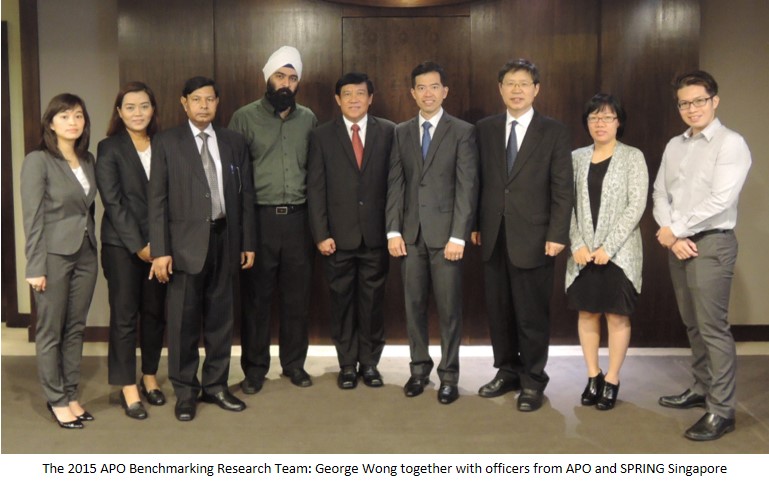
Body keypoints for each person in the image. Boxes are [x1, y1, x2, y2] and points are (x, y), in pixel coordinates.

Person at [148, 76, 256, 421]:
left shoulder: (233, 141)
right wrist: (161, 250)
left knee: (221, 318)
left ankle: (216, 385)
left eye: (209, 99)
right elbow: (157, 200)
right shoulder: (167, 142)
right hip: (183, 245)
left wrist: (247, 241)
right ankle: (185, 391)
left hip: (226, 238)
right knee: (183, 321)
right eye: (197, 99)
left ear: (217, 102)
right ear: (184, 103)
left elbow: (245, 195)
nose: (204, 105)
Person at [653, 70, 751, 441]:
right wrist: (672, 234)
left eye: (699, 101)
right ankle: (701, 387)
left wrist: (677, 229)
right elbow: (659, 193)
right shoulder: (674, 145)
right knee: (692, 324)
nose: (692, 109)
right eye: (684, 103)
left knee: (712, 328)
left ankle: (721, 410)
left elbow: (720, 199)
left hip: (712, 243)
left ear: (714, 100)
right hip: (678, 243)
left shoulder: (731, 144)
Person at [473, 59, 572, 412]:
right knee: (499, 311)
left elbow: (563, 188)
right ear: (500, 89)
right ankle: (507, 371)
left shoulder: (554, 131)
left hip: (536, 237)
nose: (517, 90)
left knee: (531, 314)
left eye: (524, 83)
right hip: (493, 235)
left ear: (536, 89)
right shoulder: (484, 129)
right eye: (510, 84)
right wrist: (475, 225)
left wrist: (557, 233)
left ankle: (533, 380)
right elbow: (478, 180)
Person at [386, 61, 479, 405]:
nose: (428, 93)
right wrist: (393, 230)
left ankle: (449, 376)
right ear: (413, 93)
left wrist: (459, 235)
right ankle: (418, 371)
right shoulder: (401, 131)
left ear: (445, 91)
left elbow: (467, 186)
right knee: (413, 307)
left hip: (446, 238)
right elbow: (396, 183)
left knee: (449, 310)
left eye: (434, 87)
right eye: (421, 88)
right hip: (410, 236)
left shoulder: (463, 131)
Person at [229, 46, 318, 393]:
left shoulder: (308, 119)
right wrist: (243, 232)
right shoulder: (243, 118)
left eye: (292, 78)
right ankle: (254, 370)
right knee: (256, 300)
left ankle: (294, 365)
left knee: (297, 299)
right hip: (259, 220)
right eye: (280, 76)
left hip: (298, 220)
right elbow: (234, 178)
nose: (286, 83)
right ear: (267, 77)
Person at [307, 72, 395, 390]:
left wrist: (393, 230)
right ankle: (346, 365)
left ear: (370, 98)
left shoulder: (389, 131)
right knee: (341, 303)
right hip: (336, 239)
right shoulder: (321, 136)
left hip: (376, 236)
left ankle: (369, 364)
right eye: (347, 94)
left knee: (372, 304)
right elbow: (315, 187)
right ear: (337, 99)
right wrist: (321, 234)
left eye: (360, 93)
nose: (354, 99)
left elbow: (396, 184)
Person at [565, 93, 648, 411]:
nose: (600, 123)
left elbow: (636, 205)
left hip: (620, 253)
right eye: (594, 117)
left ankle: (612, 379)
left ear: (618, 122)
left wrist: (608, 247)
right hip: (583, 252)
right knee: (587, 313)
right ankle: (593, 375)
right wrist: (577, 243)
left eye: (607, 117)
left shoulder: (633, 157)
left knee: (616, 315)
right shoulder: (576, 158)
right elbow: (566, 204)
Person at [21, 93, 98, 429]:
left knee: (76, 328)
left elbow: (87, 209)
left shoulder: (88, 159)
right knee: (51, 330)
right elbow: (33, 218)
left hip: (86, 253)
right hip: (52, 256)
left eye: (78, 115)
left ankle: (70, 393)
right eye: (64, 116)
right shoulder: (38, 161)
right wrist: (35, 266)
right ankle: (56, 399)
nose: (72, 122)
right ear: (51, 123)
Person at [96, 81, 167, 420]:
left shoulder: (165, 143)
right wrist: (139, 245)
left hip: (160, 247)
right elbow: (113, 202)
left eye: (144, 106)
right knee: (125, 317)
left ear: (153, 109)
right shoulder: (109, 147)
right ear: (119, 112)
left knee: (154, 313)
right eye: (130, 107)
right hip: (122, 246)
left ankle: (149, 375)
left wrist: (159, 244)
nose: (138, 113)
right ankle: (127, 386)